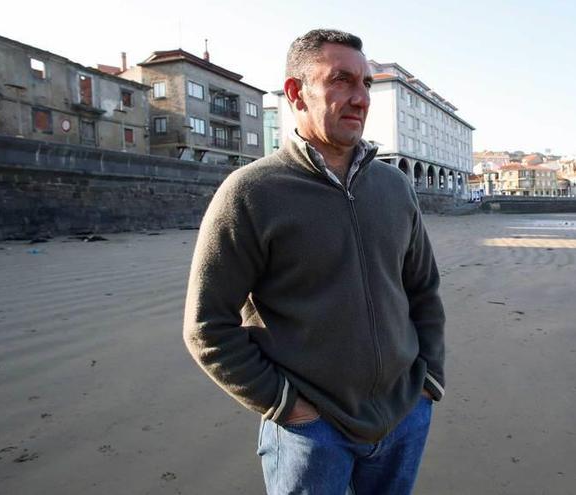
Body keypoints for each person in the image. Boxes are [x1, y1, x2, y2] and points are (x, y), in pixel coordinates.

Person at [183, 28, 446, 494]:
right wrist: (288, 407)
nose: (360, 97)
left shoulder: (394, 187)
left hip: (403, 418)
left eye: (365, 83)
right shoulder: (251, 193)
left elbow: (422, 289)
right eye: (341, 80)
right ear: (295, 93)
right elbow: (207, 325)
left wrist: (428, 382)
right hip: (312, 434)